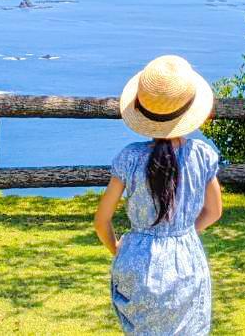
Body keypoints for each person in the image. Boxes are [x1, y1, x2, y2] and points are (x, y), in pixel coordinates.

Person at [94, 54, 224, 335]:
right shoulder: (202, 156)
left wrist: (119, 249)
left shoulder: (130, 158)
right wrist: (183, 232)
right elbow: (214, 212)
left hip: (137, 260)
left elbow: (101, 221)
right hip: (186, 260)